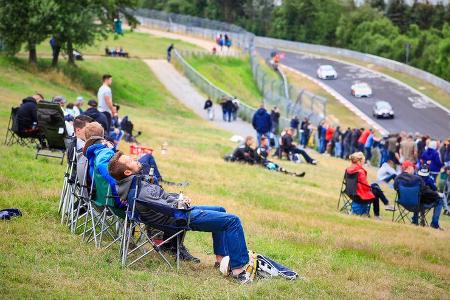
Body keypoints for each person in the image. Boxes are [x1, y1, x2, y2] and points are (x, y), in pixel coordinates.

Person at [109, 152, 253, 284]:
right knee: (233, 221)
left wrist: (178, 197)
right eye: (130, 160)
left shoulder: (135, 183)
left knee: (221, 210)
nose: (135, 159)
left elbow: (161, 198)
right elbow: (166, 207)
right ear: (127, 171)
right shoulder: (140, 190)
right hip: (179, 218)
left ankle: (220, 260)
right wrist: (181, 202)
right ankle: (238, 272)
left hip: (177, 213)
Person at [394, 160, 444, 229]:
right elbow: (427, 191)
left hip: (403, 203)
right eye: (413, 167)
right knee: (439, 200)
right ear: (409, 168)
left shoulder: (397, 178)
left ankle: (415, 220)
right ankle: (434, 224)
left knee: (418, 198)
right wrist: (437, 194)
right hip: (417, 205)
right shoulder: (417, 179)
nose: (414, 169)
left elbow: (396, 188)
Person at [346, 152, 394, 217]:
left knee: (375, 186)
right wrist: (372, 188)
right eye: (363, 161)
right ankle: (382, 209)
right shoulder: (360, 171)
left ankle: (386, 205)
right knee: (376, 191)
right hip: (359, 195)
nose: (364, 162)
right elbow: (365, 186)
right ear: (359, 161)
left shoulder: (349, 169)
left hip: (351, 192)